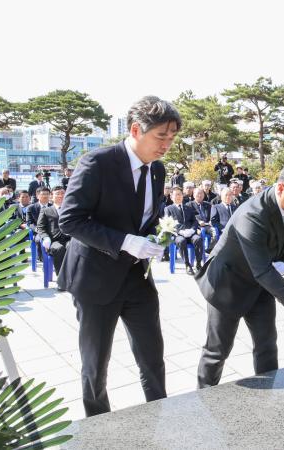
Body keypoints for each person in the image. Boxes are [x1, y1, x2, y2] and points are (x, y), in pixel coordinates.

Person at [58, 96, 180, 416]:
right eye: (161, 136)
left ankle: (160, 414)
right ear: (136, 130)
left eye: (172, 137)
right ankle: (98, 425)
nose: (167, 144)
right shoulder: (97, 163)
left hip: (137, 278)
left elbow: (146, 218)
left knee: (152, 355)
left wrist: (157, 237)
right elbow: (70, 220)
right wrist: (125, 241)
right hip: (96, 280)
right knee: (96, 365)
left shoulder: (158, 170)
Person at [195, 161, 284, 388]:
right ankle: (203, 395)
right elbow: (261, 270)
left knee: (267, 343)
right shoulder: (252, 214)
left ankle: (270, 390)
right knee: (217, 350)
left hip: (262, 284)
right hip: (228, 284)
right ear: (280, 188)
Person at [165, 187, 203, 274]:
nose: (179, 196)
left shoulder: (188, 207)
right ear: (171, 197)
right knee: (181, 241)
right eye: (176, 194)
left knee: (198, 239)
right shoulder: (168, 209)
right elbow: (168, 224)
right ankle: (187, 265)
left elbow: (194, 221)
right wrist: (180, 231)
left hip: (190, 233)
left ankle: (198, 263)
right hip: (178, 234)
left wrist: (192, 230)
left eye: (180, 194)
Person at [37, 186, 70, 277]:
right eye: (57, 193)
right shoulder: (46, 210)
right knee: (59, 249)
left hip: (69, 238)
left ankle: (74, 276)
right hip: (54, 240)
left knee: (74, 247)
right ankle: (61, 278)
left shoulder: (71, 209)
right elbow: (40, 227)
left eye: (62, 193)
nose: (60, 195)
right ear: (52, 196)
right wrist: (45, 237)